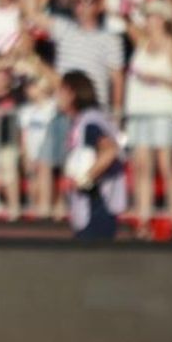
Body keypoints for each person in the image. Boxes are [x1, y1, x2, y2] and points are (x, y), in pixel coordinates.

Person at [125, 0, 172, 235]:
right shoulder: (141, 43)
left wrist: (159, 79)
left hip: (163, 111)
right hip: (139, 112)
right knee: (142, 166)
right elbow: (123, 19)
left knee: (165, 164)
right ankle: (143, 217)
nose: (149, 21)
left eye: (153, 16)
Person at [60, 70, 126, 240]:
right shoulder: (85, 120)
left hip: (97, 205)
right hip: (91, 205)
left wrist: (85, 178)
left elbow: (109, 150)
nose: (57, 97)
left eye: (60, 91)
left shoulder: (90, 122)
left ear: (72, 93)